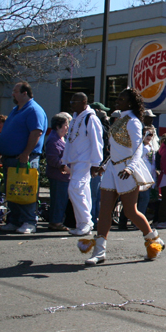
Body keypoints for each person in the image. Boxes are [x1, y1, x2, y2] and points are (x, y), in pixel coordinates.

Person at [78, 88, 164, 265]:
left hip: (126, 170)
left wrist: (131, 168)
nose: (117, 101)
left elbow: (138, 148)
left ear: (130, 103)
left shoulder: (133, 122)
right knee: (104, 211)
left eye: (121, 99)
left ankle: (153, 239)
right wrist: (104, 166)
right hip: (112, 169)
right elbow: (115, 150)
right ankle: (99, 251)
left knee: (130, 211)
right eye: (117, 98)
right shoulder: (120, 120)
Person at [0, 82, 47, 234]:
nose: (12, 94)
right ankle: (14, 220)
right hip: (11, 158)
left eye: (15, 91)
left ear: (25, 93)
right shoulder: (16, 110)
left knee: (26, 190)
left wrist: (26, 153)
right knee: (13, 190)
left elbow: (36, 132)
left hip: (25, 158)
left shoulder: (33, 110)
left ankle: (29, 221)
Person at [60, 93, 104, 236]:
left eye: (75, 101)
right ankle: (82, 224)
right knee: (83, 191)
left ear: (84, 102)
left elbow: (97, 141)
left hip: (85, 161)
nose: (72, 104)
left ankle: (85, 222)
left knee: (75, 189)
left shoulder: (91, 118)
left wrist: (96, 162)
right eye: (71, 101)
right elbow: (69, 142)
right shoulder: (74, 119)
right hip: (75, 161)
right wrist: (64, 160)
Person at [45, 112, 72, 231]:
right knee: (58, 200)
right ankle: (55, 222)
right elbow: (52, 159)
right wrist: (65, 166)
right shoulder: (53, 140)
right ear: (58, 126)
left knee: (61, 200)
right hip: (58, 176)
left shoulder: (62, 138)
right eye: (65, 125)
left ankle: (57, 220)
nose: (67, 127)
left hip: (64, 176)